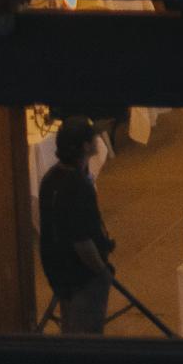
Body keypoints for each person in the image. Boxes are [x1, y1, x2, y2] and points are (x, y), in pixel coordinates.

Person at [37, 117, 114, 334]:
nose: (97, 139)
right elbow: (81, 240)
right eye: (92, 138)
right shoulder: (78, 187)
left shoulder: (51, 178)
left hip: (59, 271)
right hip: (82, 275)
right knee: (85, 334)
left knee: (70, 326)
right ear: (84, 146)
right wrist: (101, 270)